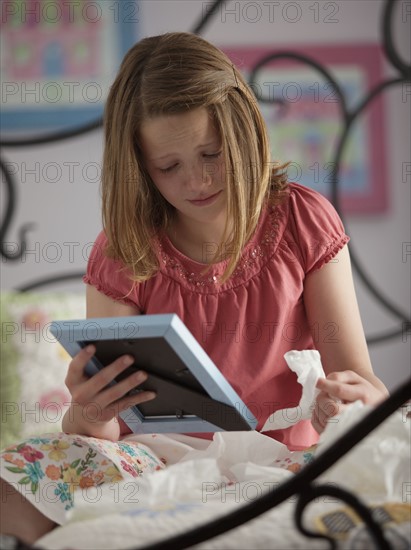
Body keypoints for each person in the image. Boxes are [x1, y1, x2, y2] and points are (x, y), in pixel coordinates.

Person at [0, 31, 388, 545]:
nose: (198, 181)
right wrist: (86, 415)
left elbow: (364, 387)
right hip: (154, 462)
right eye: (169, 166)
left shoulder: (303, 220)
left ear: (244, 133)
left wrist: (348, 401)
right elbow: (108, 433)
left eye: (212, 153)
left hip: (286, 460)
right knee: (13, 478)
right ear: (140, 167)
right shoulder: (124, 250)